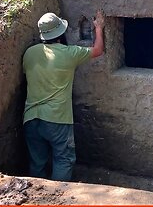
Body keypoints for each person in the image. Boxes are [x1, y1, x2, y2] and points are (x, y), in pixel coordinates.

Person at [22, 11, 105, 181]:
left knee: (37, 163)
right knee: (63, 159)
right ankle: (57, 197)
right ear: (61, 32)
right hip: (57, 120)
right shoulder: (69, 53)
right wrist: (99, 28)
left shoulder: (29, 53)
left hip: (30, 119)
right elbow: (98, 50)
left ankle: (38, 198)